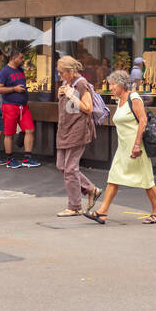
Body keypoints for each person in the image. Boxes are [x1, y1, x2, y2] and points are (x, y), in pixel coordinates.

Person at [84, 69, 156, 225]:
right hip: (123, 148)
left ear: (121, 84)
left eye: (113, 84)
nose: (111, 87)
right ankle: (102, 212)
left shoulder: (134, 98)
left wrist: (136, 145)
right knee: (114, 177)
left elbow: (143, 121)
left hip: (136, 148)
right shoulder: (120, 100)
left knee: (146, 180)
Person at [54, 55, 101, 216]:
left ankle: (74, 206)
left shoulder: (82, 84)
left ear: (70, 71)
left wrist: (71, 95)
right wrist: (61, 93)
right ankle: (91, 189)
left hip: (78, 129)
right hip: (64, 129)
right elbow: (67, 106)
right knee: (62, 166)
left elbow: (88, 108)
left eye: (61, 73)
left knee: (70, 168)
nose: (59, 76)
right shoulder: (66, 83)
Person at [0, 48, 39, 168]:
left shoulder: (20, 70)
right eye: (20, 58)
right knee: (9, 133)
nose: (23, 60)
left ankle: (27, 158)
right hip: (10, 106)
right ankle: (9, 159)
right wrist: (14, 89)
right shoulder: (4, 72)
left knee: (30, 130)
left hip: (23, 106)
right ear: (14, 58)